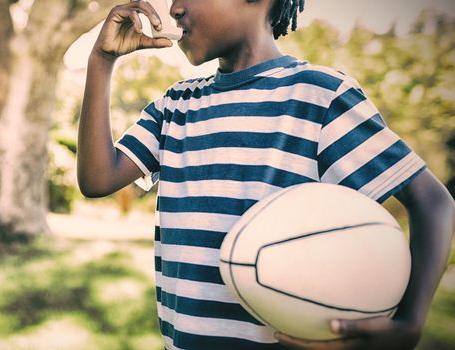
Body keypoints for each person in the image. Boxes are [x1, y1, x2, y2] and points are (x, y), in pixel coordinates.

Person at [76, 0, 455, 349]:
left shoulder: (319, 98)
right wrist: (102, 60)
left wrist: (410, 321)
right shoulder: (175, 106)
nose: (175, 8)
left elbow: (432, 202)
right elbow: (97, 179)